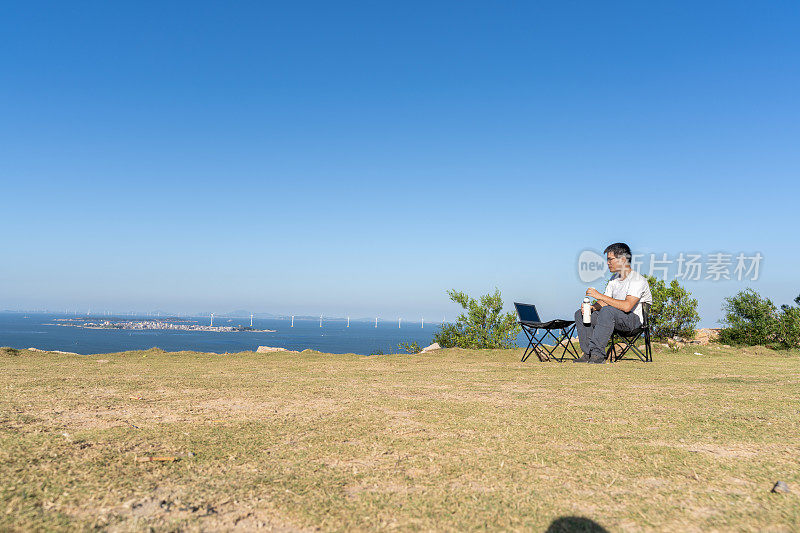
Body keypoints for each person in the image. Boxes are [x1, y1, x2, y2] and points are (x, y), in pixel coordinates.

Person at [573, 243, 652, 364]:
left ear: (623, 259)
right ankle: (588, 353)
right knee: (581, 313)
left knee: (607, 311)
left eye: (610, 259)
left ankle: (597, 354)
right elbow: (604, 302)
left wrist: (599, 295)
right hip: (613, 318)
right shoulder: (614, 279)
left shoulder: (637, 280)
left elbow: (627, 307)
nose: (608, 263)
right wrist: (592, 308)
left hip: (634, 321)